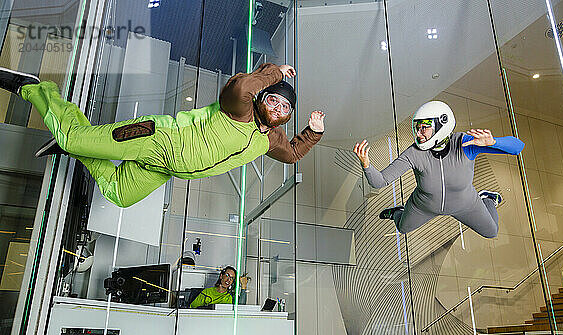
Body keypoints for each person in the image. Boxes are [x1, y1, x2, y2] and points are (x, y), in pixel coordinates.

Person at [0, 64, 324, 208]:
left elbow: (293, 154)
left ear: (288, 116)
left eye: (285, 106)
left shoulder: (270, 141)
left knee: (119, 195)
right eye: (273, 98)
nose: (278, 106)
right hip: (154, 138)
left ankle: (73, 147)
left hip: (164, 167)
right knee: (73, 137)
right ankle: (34, 88)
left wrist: (313, 133)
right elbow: (242, 85)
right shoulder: (240, 107)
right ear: (262, 99)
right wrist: (275, 73)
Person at [353, 100, 524, 239]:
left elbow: (518, 147)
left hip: (465, 205)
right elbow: (380, 181)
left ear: (442, 124)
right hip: (423, 207)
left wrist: (494, 143)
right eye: (417, 128)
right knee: (402, 228)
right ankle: (398, 212)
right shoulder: (414, 153)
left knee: (492, 232)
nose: (419, 134)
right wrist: (366, 164)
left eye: (424, 127)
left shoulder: (465, 143)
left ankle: (487, 198)